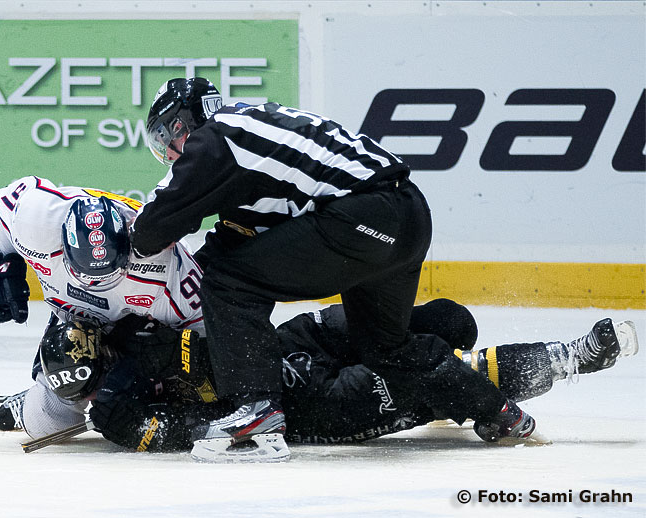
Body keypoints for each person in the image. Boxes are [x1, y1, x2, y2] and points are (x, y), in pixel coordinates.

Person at [131, 77, 516, 459]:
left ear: (183, 123)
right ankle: (498, 412)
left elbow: (153, 228)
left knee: (229, 283)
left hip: (361, 218)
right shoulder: (253, 133)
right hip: (408, 214)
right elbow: (244, 234)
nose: (170, 153)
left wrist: (129, 251)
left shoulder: (216, 140)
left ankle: (257, 411)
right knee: (384, 347)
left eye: (168, 138)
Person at [23, 301, 638, 460]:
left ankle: (495, 380)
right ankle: (571, 357)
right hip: (296, 404)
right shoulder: (113, 412)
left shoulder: (123, 333)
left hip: (289, 342)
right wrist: (238, 407)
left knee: (433, 324)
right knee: (430, 375)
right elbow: (188, 432)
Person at [0, 175, 205, 435]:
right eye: (87, 277)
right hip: (75, 317)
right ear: (63, 247)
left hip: (144, 335)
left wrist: (170, 360)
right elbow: (7, 200)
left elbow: (209, 340)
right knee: (46, 426)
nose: (95, 286)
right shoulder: (39, 221)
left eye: (109, 275)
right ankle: (39, 395)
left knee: (154, 405)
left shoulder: (167, 272)